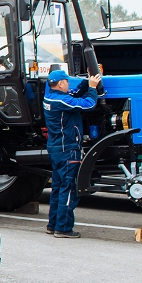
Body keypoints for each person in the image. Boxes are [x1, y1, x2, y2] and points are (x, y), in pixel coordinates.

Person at [43, 69, 102, 238]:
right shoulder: (62, 101)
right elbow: (88, 104)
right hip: (68, 149)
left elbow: (74, 94)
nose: (69, 84)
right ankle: (63, 228)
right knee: (69, 189)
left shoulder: (51, 97)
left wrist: (88, 81)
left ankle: (53, 224)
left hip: (56, 149)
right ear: (60, 83)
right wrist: (92, 88)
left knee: (57, 188)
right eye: (67, 82)